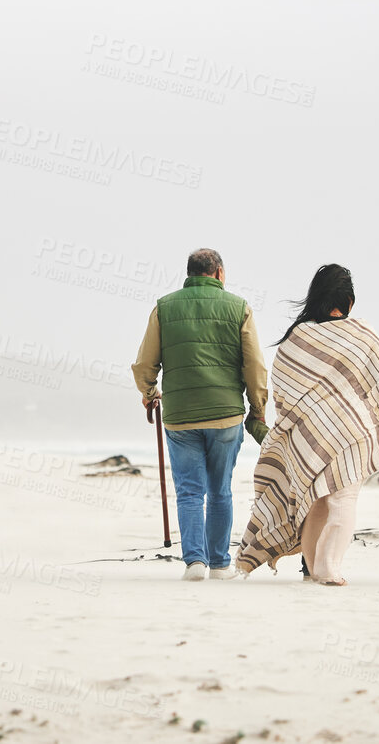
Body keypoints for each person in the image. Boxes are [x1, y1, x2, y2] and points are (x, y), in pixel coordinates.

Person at [234, 264, 379, 586]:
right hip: (351, 435)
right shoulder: (364, 336)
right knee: (341, 500)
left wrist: (287, 427)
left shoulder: (297, 337)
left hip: (308, 435)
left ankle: (318, 567)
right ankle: (327, 568)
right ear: (349, 301)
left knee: (315, 502)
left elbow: (283, 391)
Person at [132, 248, 269, 581]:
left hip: (181, 417)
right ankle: (220, 563)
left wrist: (150, 394)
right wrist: (258, 408)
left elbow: (144, 364)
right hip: (225, 415)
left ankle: (195, 561)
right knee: (220, 489)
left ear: (190, 273)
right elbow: (254, 365)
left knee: (190, 490)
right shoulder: (239, 307)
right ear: (219, 273)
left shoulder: (164, 307)